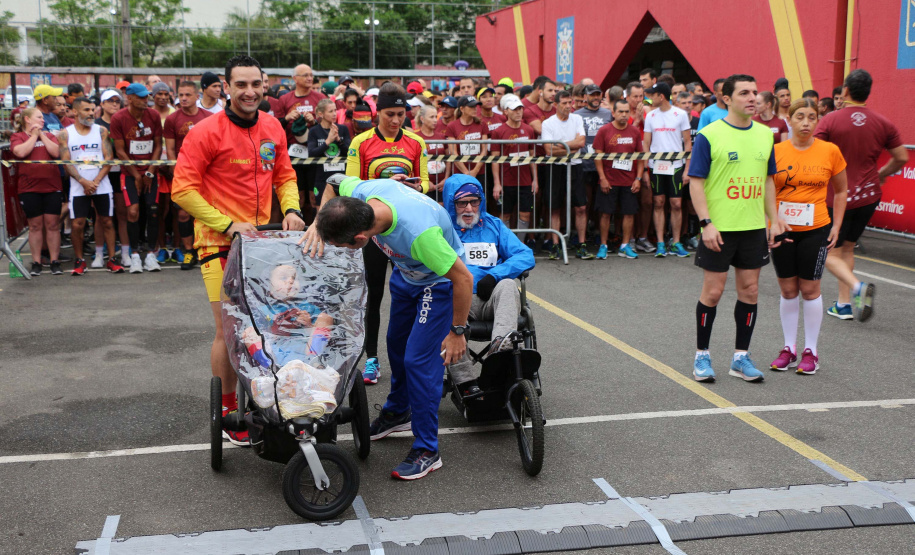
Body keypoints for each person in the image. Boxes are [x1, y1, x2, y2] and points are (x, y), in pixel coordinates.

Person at [171, 55, 305, 446]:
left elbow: (284, 174)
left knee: (271, 325)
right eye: (240, 85)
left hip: (264, 243)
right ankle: (229, 410)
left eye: (255, 84)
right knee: (227, 331)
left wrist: (293, 208)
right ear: (226, 88)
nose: (249, 92)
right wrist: (227, 224)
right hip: (219, 243)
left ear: (265, 86)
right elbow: (182, 189)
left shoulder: (272, 126)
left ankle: (275, 398)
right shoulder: (205, 132)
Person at [302, 175, 473, 481]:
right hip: (407, 277)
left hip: (437, 283)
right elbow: (331, 181)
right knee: (395, 345)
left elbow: (463, 279)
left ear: (360, 240)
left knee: (418, 361)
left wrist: (457, 331)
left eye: (341, 246)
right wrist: (318, 222)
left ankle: (427, 450)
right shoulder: (363, 192)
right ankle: (398, 413)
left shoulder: (420, 236)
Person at [688, 73, 789, 384]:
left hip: (752, 229)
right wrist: (706, 223)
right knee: (714, 293)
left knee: (750, 291)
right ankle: (702, 356)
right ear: (727, 99)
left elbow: (769, 181)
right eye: (744, 92)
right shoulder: (710, 135)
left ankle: (740, 358)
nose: (752, 98)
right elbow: (696, 182)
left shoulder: (763, 135)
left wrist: (773, 220)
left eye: (755, 92)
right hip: (719, 228)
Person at [346, 83, 431, 386]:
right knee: (373, 295)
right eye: (390, 114)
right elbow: (351, 186)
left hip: (403, 231)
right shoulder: (361, 141)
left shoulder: (416, 142)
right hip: (372, 231)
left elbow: (427, 184)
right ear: (377, 112)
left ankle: (409, 355)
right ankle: (371, 357)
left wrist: (413, 186)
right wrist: (385, 186)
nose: (396, 121)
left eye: (401, 114)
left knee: (408, 294)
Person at [814, 69, 908, 322]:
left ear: (845, 91)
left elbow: (814, 152)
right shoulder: (883, 122)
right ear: (868, 93)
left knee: (829, 253)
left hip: (836, 197)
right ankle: (844, 305)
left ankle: (857, 288)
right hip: (868, 195)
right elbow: (902, 156)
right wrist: (882, 174)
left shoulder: (830, 120)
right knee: (847, 248)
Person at [769, 99, 848, 375]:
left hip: (816, 229)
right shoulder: (776, 151)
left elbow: (840, 191)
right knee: (788, 290)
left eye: (811, 117)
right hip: (783, 230)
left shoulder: (830, 151)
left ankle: (811, 352)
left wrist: (837, 225)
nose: (805, 122)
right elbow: (766, 190)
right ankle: (789, 348)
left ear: (818, 122)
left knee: (810, 290)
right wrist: (770, 223)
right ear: (788, 120)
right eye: (799, 116)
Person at [442, 174, 535, 396]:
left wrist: (495, 275)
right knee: (444, 300)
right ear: (450, 203)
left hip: (491, 297)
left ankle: (500, 349)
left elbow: (525, 254)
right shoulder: (441, 229)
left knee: (508, 284)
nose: (469, 208)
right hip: (459, 300)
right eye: (461, 202)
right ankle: (466, 382)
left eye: (474, 201)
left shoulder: (493, 225)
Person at [58, 97, 124, 275]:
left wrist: (95, 181)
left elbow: (108, 159)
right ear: (75, 112)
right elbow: (66, 162)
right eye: (86, 110)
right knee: (78, 223)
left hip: (101, 183)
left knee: (107, 221)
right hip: (78, 184)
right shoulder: (65, 133)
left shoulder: (101, 131)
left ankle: (111, 259)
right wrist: (83, 181)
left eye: (92, 109)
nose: (91, 113)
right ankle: (79, 261)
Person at [110, 83, 163, 273]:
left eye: (146, 96)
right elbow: (120, 151)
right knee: (132, 212)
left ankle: (151, 254)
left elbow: (158, 146)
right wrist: (136, 174)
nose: (145, 100)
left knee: (153, 210)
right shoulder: (118, 118)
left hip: (150, 171)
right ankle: (134, 255)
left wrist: (149, 171)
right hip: (129, 173)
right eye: (140, 97)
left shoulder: (154, 115)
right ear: (129, 98)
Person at [164, 81, 213, 271]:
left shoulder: (209, 117)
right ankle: (188, 252)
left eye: (187, 95)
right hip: (184, 173)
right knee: (184, 214)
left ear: (197, 96)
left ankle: (206, 249)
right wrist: (176, 170)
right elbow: (169, 149)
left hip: (207, 173)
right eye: (180, 95)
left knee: (207, 212)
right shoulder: (172, 119)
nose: (183, 98)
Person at [10, 108, 63, 276]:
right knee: (35, 226)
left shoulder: (49, 135)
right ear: (27, 119)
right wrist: (33, 136)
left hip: (52, 187)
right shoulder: (18, 137)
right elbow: (20, 152)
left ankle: (54, 261)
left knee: (52, 224)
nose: (42, 120)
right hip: (29, 188)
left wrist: (42, 136)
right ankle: (36, 262)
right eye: (39, 117)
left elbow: (57, 153)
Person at [643, 82, 692, 258]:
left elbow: (687, 142)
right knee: (659, 203)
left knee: (676, 204)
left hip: (676, 166)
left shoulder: (680, 114)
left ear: (661, 96)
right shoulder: (650, 116)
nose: (650, 98)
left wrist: (687, 169)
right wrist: (645, 169)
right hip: (656, 166)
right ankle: (661, 244)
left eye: (652, 95)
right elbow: (646, 143)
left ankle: (676, 242)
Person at [541, 90, 591, 260]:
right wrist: (571, 147)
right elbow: (548, 150)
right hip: (555, 167)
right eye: (564, 103)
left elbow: (581, 142)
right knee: (555, 208)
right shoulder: (548, 123)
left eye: (570, 102)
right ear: (556, 104)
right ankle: (555, 244)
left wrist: (560, 146)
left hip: (575, 166)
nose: (568, 106)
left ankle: (582, 243)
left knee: (581, 207)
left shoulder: (577, 119)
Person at [593, 99, 645, 260]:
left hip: (629, 181)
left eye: (626, 111)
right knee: (605, 214)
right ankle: (603, 245)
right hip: (609, 180)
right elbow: (597, 157)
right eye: (620, 111)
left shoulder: (634, 132)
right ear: (613, 113)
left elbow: (641, 158)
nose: (623, 115)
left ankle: (625, 245)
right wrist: (602, 178)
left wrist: (638, 178)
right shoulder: (604, 131)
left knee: (629, 214)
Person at [491, 94, 538, 236]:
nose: (518, 112)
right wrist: (497, 183)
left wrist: (535, 179)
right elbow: (495, 159)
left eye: (520, 109)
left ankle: (521, 244)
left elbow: (532, 156)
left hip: (525, 181)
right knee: (505, 215)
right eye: (514, 109)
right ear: (506, 112)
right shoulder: (498, 132)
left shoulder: (529, 130)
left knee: (525, 214)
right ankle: (506, 244)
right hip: (506, 181)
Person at [94, 90, 131, 266]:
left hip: (120, 174)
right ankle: (99, 254)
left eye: (117, 101)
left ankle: (125, 253)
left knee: (122, 214)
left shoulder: (123, 122)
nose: (114, 104)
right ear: (102, 104)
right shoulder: (96, 125)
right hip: (101, 174)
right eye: (110, 101)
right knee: (101, 216)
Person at [574, 84, 614, 240]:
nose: (596, 97)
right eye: (592, 95)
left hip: (603, 165)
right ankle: (582, 232)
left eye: (598, 94)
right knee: (585, 201)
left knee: (602, 200)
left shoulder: (608, 114)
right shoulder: (577, 115)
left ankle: (598, 231)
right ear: (585, 97)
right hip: (584, 164)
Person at [307, 98, 352, 206]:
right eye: (330, 111)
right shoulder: (314, 131)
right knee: (321, 211)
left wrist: (338, 141)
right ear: (320, 114)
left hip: (341, 176)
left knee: (342, 210)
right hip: (322, 178)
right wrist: (327, 141)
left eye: (335, 110)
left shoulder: (343, 129)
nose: (334, 114)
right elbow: (312, 153)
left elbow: (350, 153)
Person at [151, 82, 177, 264]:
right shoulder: (149, 114)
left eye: (166, 94)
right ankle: (161, 247)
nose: (163, 97)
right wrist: (158, 166)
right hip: (156, 168)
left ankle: (177, 247)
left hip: (174, 168)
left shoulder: (175, 113)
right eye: (159, 94)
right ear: (153, 96)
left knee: (176, 210)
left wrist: (172, 167)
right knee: (160, 211)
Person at [446, 96, 488, 180]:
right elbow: (453, 152)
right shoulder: (452, 126)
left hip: (479, 172)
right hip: (460, 173)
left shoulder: (482, 124)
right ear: (462, 109)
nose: (475, 109)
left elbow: (484, 150)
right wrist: (466, 172)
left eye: (475, 106)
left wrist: (475, 171)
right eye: (471, 106)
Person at [415, 105, 451, 201]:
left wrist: (446, 179)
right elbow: (415, 162)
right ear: (422, 118)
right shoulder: (416, 138)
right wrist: (425, 181)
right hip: (424, 184)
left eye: (436, 116)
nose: (435, 120)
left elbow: (448, 159)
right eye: (431, 117)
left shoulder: (442, 137)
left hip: (441, 184)